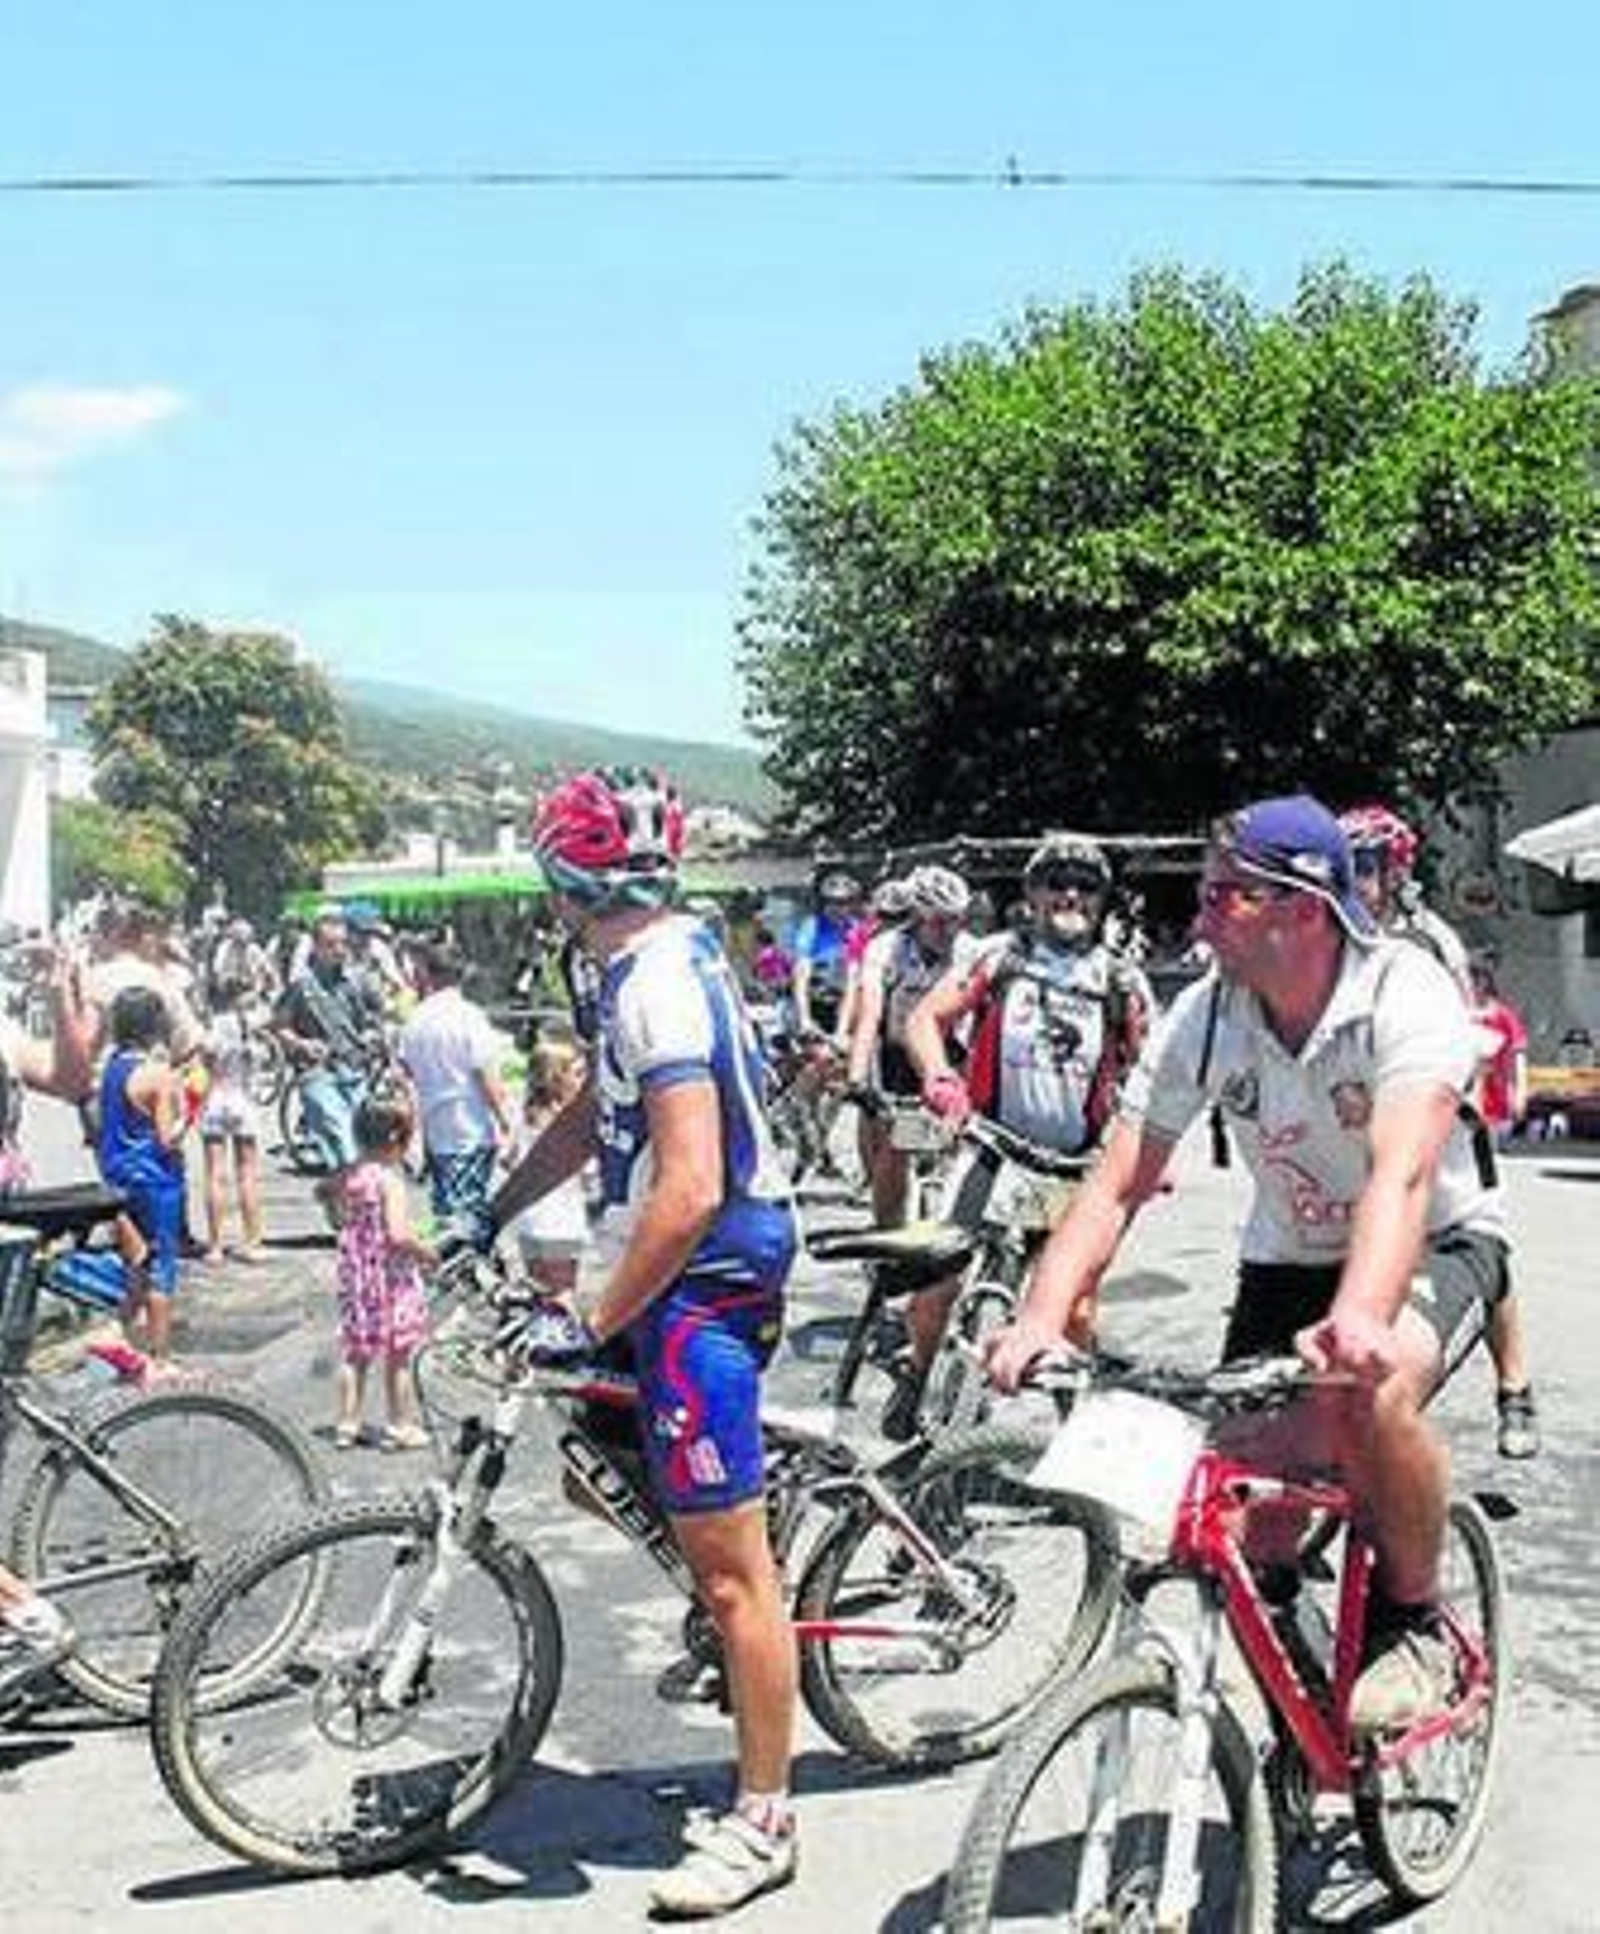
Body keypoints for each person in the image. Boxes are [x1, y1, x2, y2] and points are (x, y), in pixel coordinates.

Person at [989, 794, 1510, 1737]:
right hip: (1288, 1260)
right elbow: (1115, 1182)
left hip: (1433, 1241)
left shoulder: (1402, 991)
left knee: (1373, 1390)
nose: (1198, 919)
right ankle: (1307, 1739)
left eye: (1222, 896)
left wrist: (1361, 1316)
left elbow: (1401, 1174)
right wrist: (1039, 1315)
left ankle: (1415, 1619)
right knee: (1242, 1519)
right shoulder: (1206, 1015)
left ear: (1301, 908)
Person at [492, 765, 800, 1918]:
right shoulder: (639, 964)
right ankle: (743, 1516)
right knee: (594, 1463)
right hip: (674, 1263)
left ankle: (763, 1817)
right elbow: (594, 1114)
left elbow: (691, 1184)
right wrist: (492, 1206)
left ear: (564, 881)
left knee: (731, 1580)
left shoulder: (657, 985)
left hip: (706, 1274)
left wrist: (590, 1315)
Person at [892, 836, 1154, 1436]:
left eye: (1086, 886)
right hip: (993, 1148)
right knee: (935, 1285)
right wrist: (939, 1078)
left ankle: (1075, 1434)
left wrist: (1146, 1154)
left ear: (1103, 900)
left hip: (1074, 1167)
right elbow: (926, 1018)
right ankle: (921, 1372)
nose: (1071, 896)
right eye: (1057, 883)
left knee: (1075, 1312)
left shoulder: (1121, 979)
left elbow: (1151, 1073)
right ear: (1032, 894)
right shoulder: (998, 956)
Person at [1341, 802, 1539, 1461]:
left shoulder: (1429, 941)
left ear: (1396, 872)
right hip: (1363, 1125)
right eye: (1344, 866)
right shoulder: (1334, 935)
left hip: (1444, 1127)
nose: (1351, 880)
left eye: (1365, 866)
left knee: (1474, 1244)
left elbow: (1459, 1036)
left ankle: (1514, 1387)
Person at [844, 864, 976, 1228]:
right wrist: (856, 1079)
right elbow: (870, 1015)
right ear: (917, 917)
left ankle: (948, 1212)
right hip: (898, 1053)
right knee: (898, 1143)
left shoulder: (971, 950)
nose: (949, 931)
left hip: (950, 1052)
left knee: (956, 1141)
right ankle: (887, 1230)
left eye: (956, 920)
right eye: (939, 922)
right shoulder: (886, 948)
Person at [332, 1091, 434, 1452]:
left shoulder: (352, 1176)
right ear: (396, 1137)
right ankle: (400, 1424)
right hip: (391, 1280)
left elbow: (334, 1209)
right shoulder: (390, 1181)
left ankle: (347, 1423)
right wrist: (426, 1252)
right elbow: (398, 1234)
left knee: (355, 1352)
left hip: (358, 1276)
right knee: (398, 1354)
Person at [96, 986, 188, 1361]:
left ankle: (118, 1336)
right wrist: (188, 1113)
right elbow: (167, 1139)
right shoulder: (158, 1075)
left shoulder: (112, 1067)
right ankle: (159, 1359)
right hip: (155, 1179)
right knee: (161, 1269)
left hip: (117, 1176)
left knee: (136, 1263)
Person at [398, 939, 514, 1228]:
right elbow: (487, 1076)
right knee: (466, 1218)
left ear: (426, 973)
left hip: (434, 1128)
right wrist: (507, 1123)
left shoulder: (415, 1019)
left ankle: (449, 1253)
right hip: (469, 1127)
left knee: (446, 1212)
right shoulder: (469, 1017)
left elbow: (405, 1076)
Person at [273, 911, 383, 1186]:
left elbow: (374, 1020)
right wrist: (301, 1043)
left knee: (359, 1143)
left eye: (343, 943)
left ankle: (348, 1199)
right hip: (318, 1073)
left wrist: (371, 1036)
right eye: (331, 944)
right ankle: (354, 1197)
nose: (339, 950)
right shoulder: (301, 986)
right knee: (343, 1138)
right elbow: (279, 1027)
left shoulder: (356, 982)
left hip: (355, 1071)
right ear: (316, 947)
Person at [504, 1039, 592, 1297]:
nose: (584, 1081)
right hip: (561, 1222)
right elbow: (586, 1171)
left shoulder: (526, 1115)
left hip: (530, 1220)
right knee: (563, 1296)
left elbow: (508, 1160)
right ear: (556, 1079)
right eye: (578, 1073)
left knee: (539, 1292)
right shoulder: (568, 1123)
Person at [197, 975, 267, 1262]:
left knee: (215, 1173)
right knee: (247, 1173)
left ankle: (215, 1245)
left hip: (216, 1099)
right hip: (243, 1100)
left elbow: (205, 1060)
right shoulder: (253, 1026)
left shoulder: (213, 1026)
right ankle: (253, 1241)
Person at [788, 870, 863, 1041]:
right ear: (824, 903)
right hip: (815, 1000)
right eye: (832, 902)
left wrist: (842, 1030)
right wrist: (805, 1019)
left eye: (844, 903)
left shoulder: (856, 930)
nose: (838, 908)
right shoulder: (811, 927)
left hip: (844, 1002)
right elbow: (801, 976)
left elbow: (853, 982)